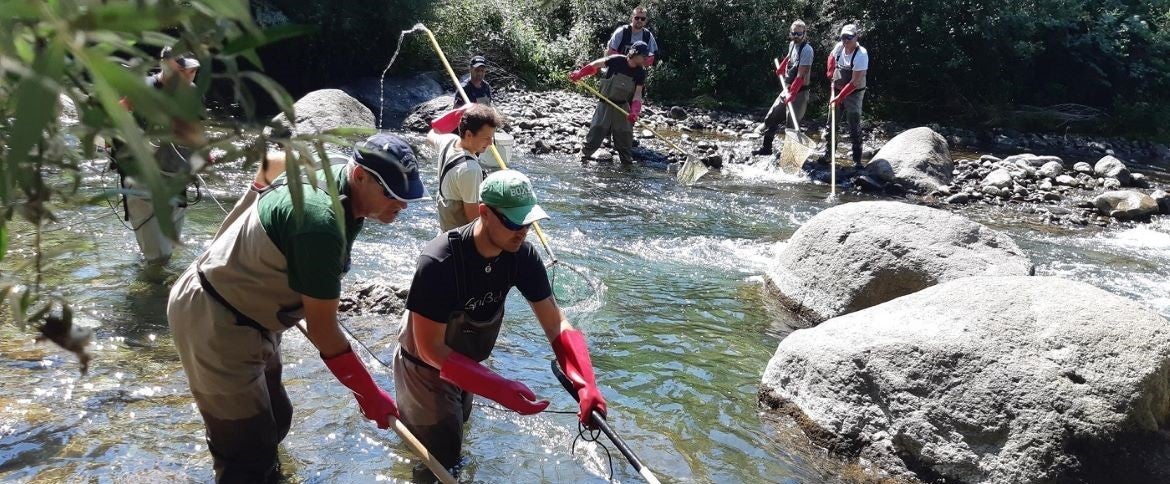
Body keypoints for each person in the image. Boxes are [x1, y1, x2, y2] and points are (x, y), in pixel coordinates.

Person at [167, 134, 429, 483]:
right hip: (216, 318)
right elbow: (324, 331)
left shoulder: (333, 163)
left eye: (407, 194)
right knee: (247, 454)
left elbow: (272, 162)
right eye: (393, 194)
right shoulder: (319, 224)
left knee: (278, 418)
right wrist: (368, 394)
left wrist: (251, 204)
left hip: (255, 314)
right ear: (360, 176)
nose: (402, 205)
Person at [394, 170, 607, 481]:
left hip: (464, 362)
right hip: (423, 368)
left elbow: (556, 324)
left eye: (528, 222)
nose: (522, 232)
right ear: (484, 212)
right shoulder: (439, 262)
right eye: (513, 223)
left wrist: (585, 382)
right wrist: (498, 388)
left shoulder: (522, 255)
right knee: (442, 458)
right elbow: (430, 350)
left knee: (459, 434)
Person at [111, 46, 202, 263]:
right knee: (158, 258)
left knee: (169, 249)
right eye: (182, 71)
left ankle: (147, 267)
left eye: (192, 71)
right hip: (143, 184)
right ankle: (151, 279)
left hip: (177, 181)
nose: (188, 76)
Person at [569, 41, 650, 164]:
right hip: (604, 104)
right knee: (596, 132)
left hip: (623, 108)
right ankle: (582, 159)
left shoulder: (640, 73)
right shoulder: (616, 60)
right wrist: (580, 74)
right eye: (644, 56)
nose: (646, 59)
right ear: (635, 54)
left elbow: (637, 94)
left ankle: (627, 166)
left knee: (625, 137)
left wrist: (634, 111)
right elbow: (595, 65)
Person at [427, 103, 503, 231]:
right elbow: (474, 221)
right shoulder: (470, 170)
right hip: (462, 239)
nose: (491, 143)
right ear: (468, 135)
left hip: (445, 233)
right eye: (486, 138)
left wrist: (452, 116)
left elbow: (431, 134)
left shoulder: (449, 141)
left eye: (491, 137)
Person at [753, 21, 814, 156]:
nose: (796, 36)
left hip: (799, 93)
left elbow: (801, 74)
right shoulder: (792, 44)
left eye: (799, 34)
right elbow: (790, 56)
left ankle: (790, 157)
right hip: (787, 89)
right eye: (794, 33)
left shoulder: (807, 50)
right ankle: (766, 148)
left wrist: (793, 93)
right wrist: (782, 65)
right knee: (773, 116)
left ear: (804, 33)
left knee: (792, 126)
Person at [827, 24, 869, 169]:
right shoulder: (839, 47)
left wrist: (839, 98)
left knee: (853, 125)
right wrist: (830, 71)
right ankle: (828, 155)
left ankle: (857, 160)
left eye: (849, 37)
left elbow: (854, 82)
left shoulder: (861, 54)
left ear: (856, 37)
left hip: (854, 93)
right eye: (843, 37)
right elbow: (831, 57)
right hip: (837, 89)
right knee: (831, 123)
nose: (845, 40)